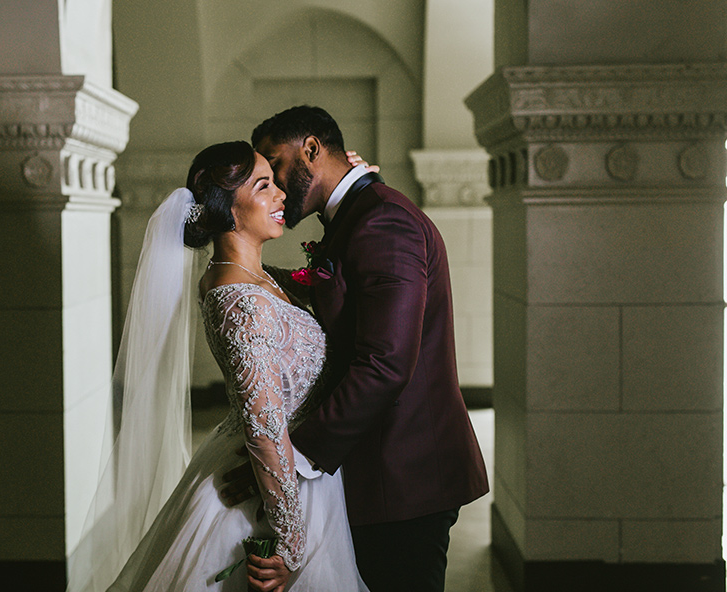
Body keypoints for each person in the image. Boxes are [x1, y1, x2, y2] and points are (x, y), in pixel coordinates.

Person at [66, 140, 369, 592]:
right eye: (264, 186)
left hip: (299, 469)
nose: (281, 194)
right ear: (226, 208)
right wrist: (289, 545)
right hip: (266, 490)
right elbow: (264, 431)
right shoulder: (237, 301)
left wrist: (356, 184)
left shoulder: (259, 279)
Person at [226, 106, 490, 592]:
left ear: (310, 149)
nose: (278, 190)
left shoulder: (382, 220)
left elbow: (386, 364)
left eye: (275, 164)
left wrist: (291, 456)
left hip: (406, 476)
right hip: (379, 469)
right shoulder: (357, 217)